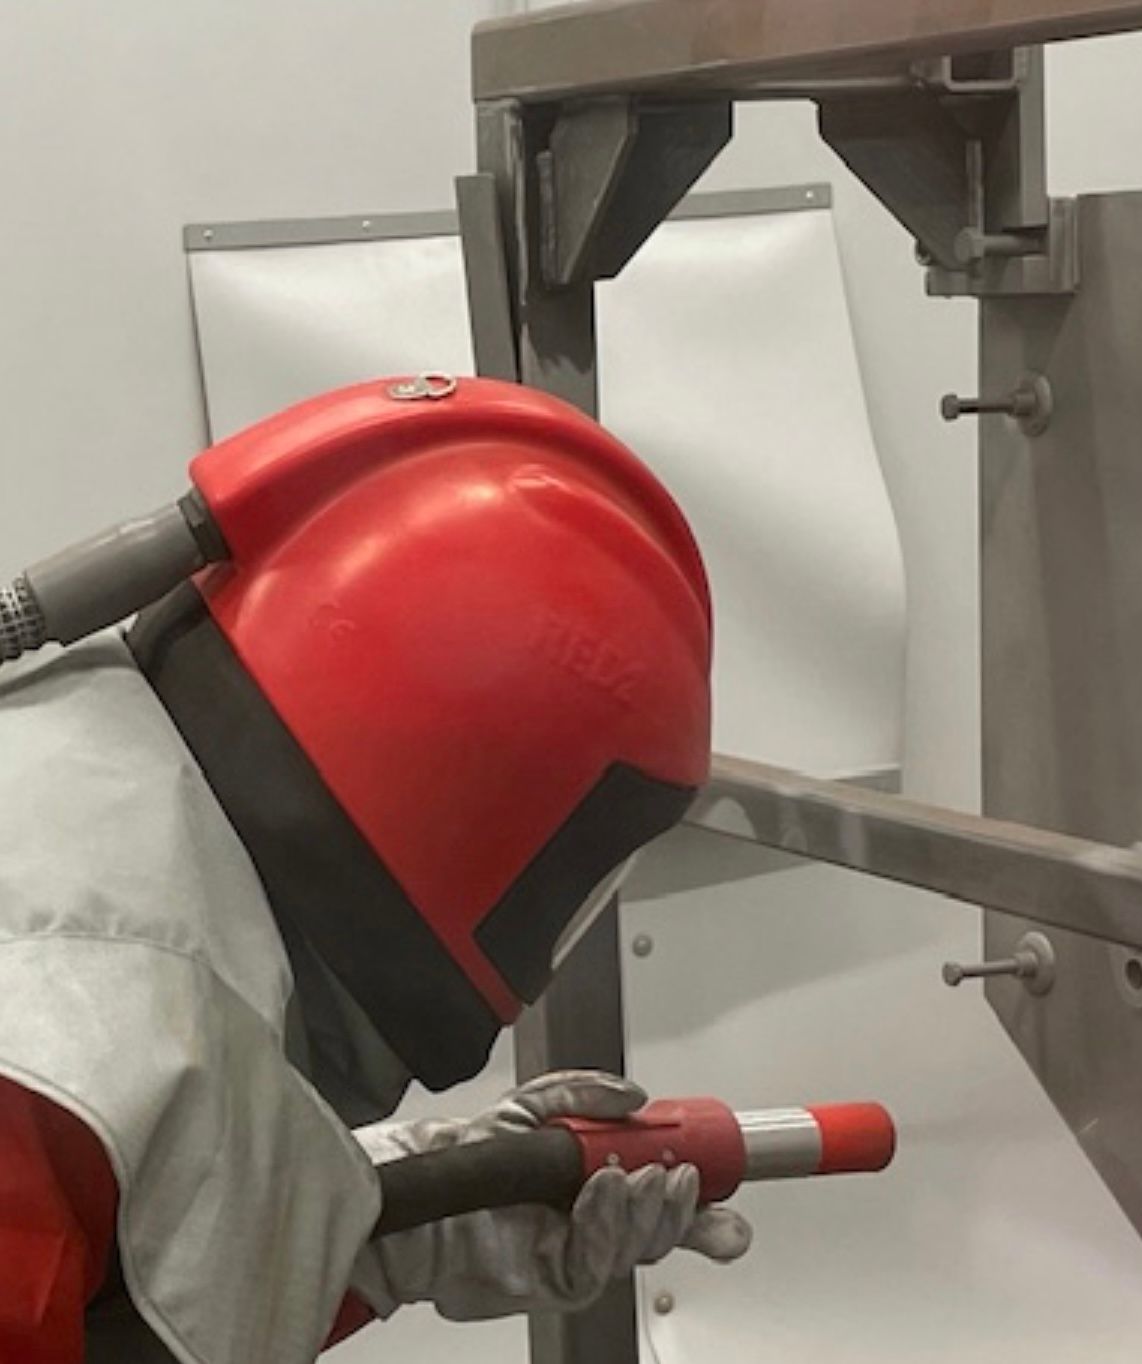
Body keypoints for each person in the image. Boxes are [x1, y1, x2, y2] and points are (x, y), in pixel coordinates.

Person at [0, 376, 751, 1364]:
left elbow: (111, 1281)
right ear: (465, 806)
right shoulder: (75, 1062)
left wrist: (402, 1217)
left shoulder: (95, 774)